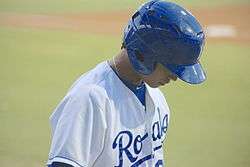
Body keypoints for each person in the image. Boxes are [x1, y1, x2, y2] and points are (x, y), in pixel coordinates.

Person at [47, 0, 206, 167]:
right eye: (170, 67)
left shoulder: (157, 99)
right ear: (144, 55)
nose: (175, 77)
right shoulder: (90, 98)